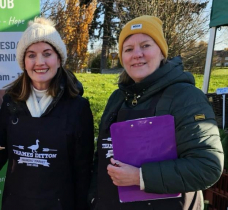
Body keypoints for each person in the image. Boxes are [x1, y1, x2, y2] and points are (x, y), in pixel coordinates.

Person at [89, 15, 223, 210]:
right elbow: (101, 157)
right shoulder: (117, 98)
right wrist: (94, 199)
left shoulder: (185, 97)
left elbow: (207, 167)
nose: (137, 54)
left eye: (145, 46)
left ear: (161, 52)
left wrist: (139, 177)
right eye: (128, 49)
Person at [0, 17, 94, 210]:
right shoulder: (10, 103)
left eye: (47, 54)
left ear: (58, 59)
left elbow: (83, 169)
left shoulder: (77, 108)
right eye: (31, 55)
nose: (39, 62)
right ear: (23, 61)